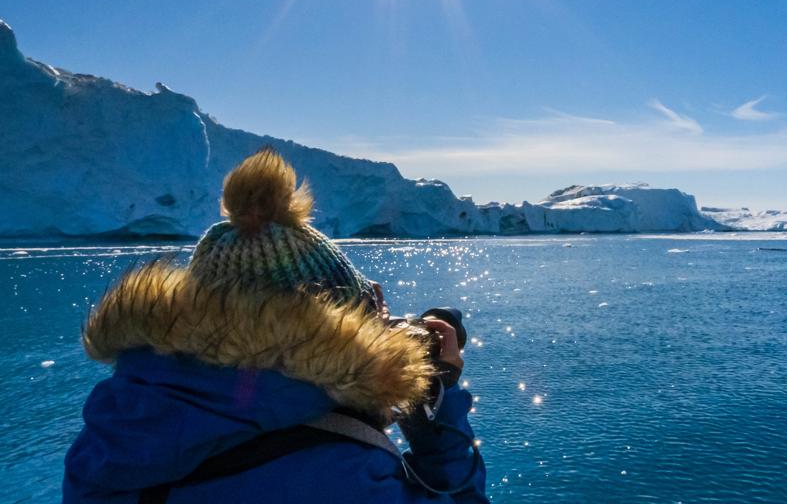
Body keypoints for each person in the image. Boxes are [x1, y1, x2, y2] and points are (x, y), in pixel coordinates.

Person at [63, 148, 488, 503]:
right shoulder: (349, 478)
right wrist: (435, 410)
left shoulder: (111, 437)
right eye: (367, 314)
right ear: (339, 328)